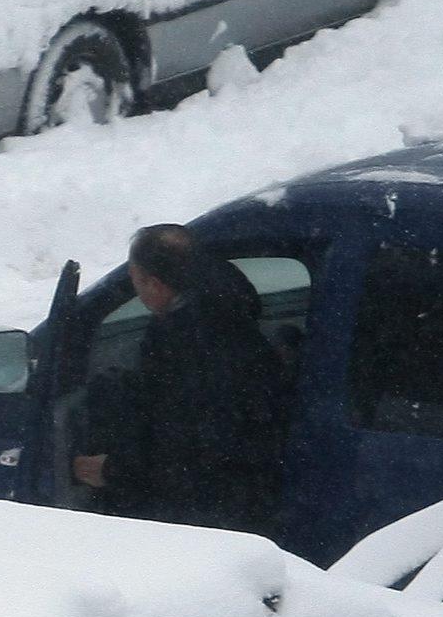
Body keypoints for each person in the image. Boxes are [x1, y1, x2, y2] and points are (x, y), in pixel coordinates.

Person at [69, 223, 293, 537]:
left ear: (156, 285)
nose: (135, 289)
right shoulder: (230, 313)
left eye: (135, 279)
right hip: (253, 490)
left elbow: (183, 448)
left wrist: (110, 470)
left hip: (208, 514)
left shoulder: (183, 344)